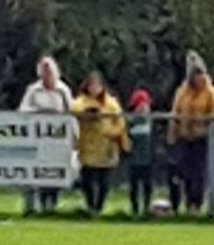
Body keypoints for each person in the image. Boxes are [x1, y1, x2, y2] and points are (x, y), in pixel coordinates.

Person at [167, 51, 214, 215]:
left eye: (200, 73)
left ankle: (195, 204)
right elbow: (175, 112)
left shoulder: (210, 92)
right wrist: (172, 134)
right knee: (182, 171)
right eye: (194, 73)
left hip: (201, 138)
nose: (197, 77)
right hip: (184, 137)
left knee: (198, 173)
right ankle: (181, 202)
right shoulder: (182, 92)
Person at [18, 56, 73, 216]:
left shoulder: (63, 90)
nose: (47, 74)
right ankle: (37, 205)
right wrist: (39, 113)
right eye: (44, 70)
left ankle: (52, 205)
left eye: (49, 70)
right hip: (38, 139)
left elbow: (71, 111)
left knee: (56, 173)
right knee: (37, 173)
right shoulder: (33, 90)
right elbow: (23, 111)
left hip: (58, 140)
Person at [72, 72, 130, 216]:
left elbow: (120, 122)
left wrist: (113, 134)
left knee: (104, 180)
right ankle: (90, 206)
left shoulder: (111, 103)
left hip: (106, 147)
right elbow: (74, 109)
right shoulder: (82, 101)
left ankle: (99, 207)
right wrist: (87, 112)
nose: (94, 88)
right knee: (87, 179)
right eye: (91, 85)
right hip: (87, 146)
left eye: (97, 85)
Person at [126, 88, 154, 218]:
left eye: (145, 105)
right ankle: (135, 208)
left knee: (148, 184)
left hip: (148, 159)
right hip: (134, 159)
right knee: (134, 186)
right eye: (140, 105)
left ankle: (147, 207)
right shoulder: (130, 122)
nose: (143, 108)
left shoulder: (150, 121)